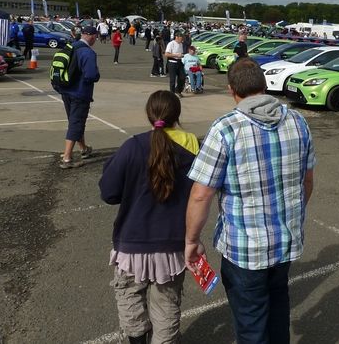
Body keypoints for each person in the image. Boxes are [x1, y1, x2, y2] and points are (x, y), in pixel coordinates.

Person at [185, 58, 316, 343]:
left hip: (245, 249)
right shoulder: (298, 121)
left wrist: (191, 241)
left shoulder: (225, 129)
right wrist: (290, 217)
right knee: (279, 308)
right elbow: (307, 181)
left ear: (232, 90)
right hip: (286, 242)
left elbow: (201, 194)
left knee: (251, 324)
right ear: (265, 86)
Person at [99, 90, 198, 344]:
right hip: (173, 244)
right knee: (166, 308)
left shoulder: (134, 145)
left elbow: (109, 193)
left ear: (148, 114)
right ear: (177, 115)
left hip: (133, 242)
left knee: (131, 301)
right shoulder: (192, 145)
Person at [58, 25, 100, 168]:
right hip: (80, 92)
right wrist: (97, 75)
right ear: (93, 36)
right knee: (76, 122)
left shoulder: (71, 46)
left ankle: (83, 148)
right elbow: (91, 75)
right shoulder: (88, 53)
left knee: (74, 120)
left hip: (65, 90)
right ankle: (67, 157)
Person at [164, 31, 186, 96]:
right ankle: (172, 93)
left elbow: (181, 53)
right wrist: (176, 55)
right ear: (176, 37)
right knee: (173, 79)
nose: (182, 40)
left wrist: (182, 55)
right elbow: (166, 54)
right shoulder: (171, 44)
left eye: (182, 38)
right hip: (172, 62)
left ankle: (178, 90)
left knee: (182, 77)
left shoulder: (181, 44)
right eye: (181, 38)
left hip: (179, 62)